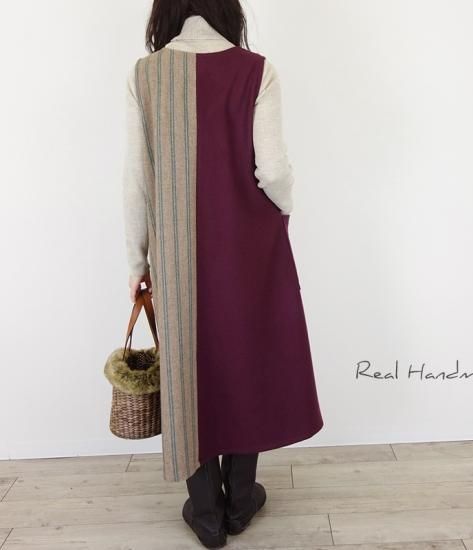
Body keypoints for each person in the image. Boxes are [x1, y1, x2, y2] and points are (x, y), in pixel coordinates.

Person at [122, 0, 324, 547]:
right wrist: (281, 209)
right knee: (244, 354)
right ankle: (241, 499)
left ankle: (207, 512)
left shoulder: (144, 76)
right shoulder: (257, 70)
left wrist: (138, 262)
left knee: (188, 360)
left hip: (176, 250)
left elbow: (136, 179)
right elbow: (273, 169)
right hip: (249, 242)